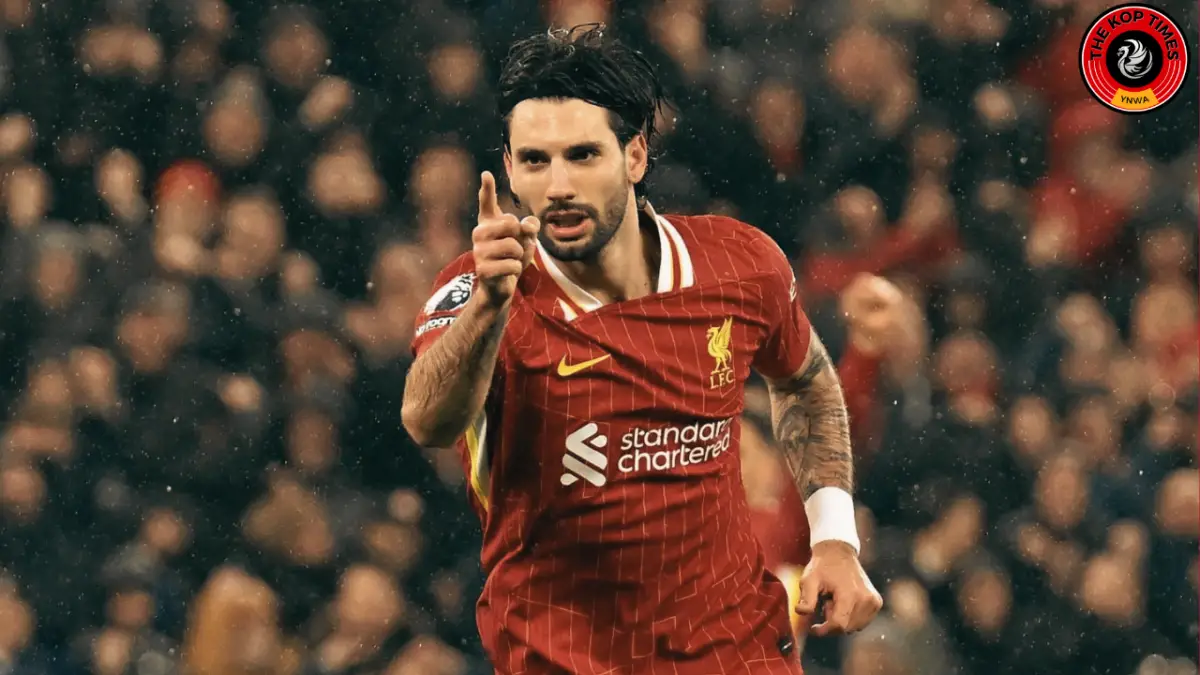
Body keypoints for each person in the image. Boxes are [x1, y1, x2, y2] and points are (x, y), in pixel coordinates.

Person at [401, 24, 882, 674]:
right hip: (565, 658)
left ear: (634, 155)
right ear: (509, 167)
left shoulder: (739, 264)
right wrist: (490, 304)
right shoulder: (476, 289)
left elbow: (804, 380)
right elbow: (428, 420)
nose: (558, 185)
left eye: (582, 155)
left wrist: (834, 538)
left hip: (736, 652)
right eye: (535, 161)